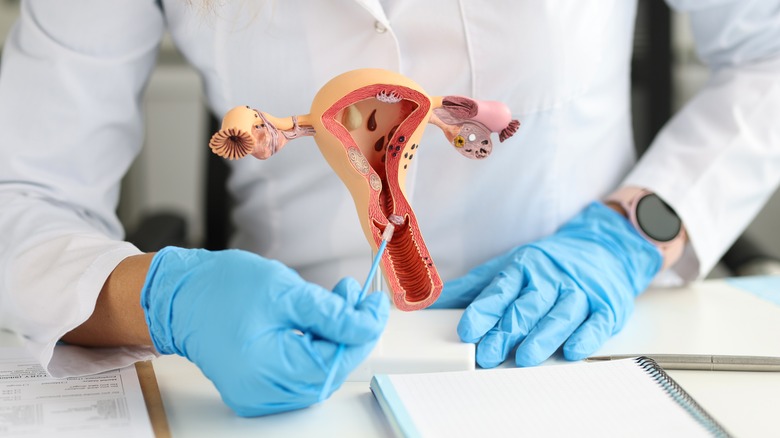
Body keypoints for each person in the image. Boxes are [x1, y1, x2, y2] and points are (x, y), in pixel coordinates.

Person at [1, 0, 778, 417]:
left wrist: (631, 232)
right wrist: (167, 300)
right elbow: (25, 191)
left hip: (578, 349)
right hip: (286, 373)